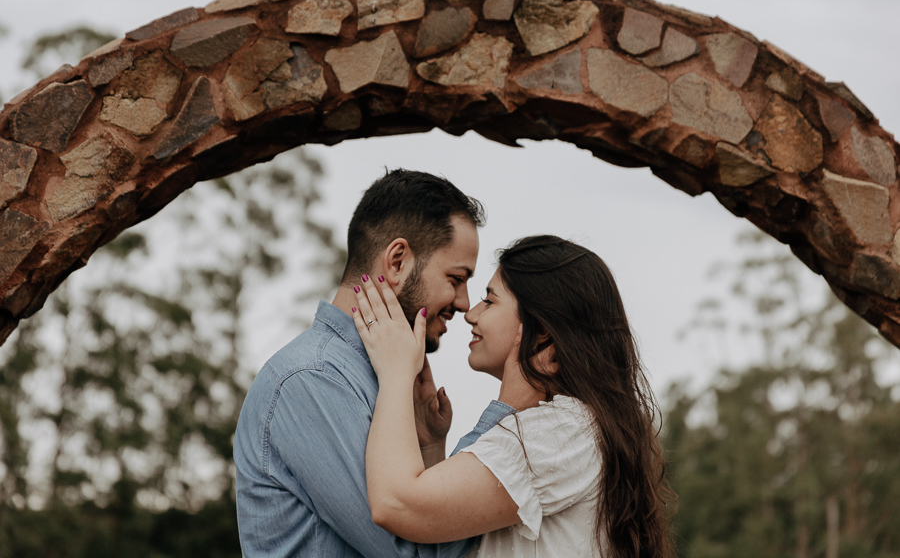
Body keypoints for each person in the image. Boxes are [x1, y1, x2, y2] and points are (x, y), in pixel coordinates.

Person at [233, 169, 517, 557]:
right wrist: (513, 416)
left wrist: (431, 447)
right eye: (456, 278)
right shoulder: (312, 381)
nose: (465, 303)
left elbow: (425, 524)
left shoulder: (389, 380)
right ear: (397, 262)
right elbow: (414, 553)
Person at [353, 235, 677, 558]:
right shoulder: (571, 426)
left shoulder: (560, 430)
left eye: (490, 301)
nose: (471, 314)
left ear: (542, 330)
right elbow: (445, 532)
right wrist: (432, 446)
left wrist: (396, 371)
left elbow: (396, 504)